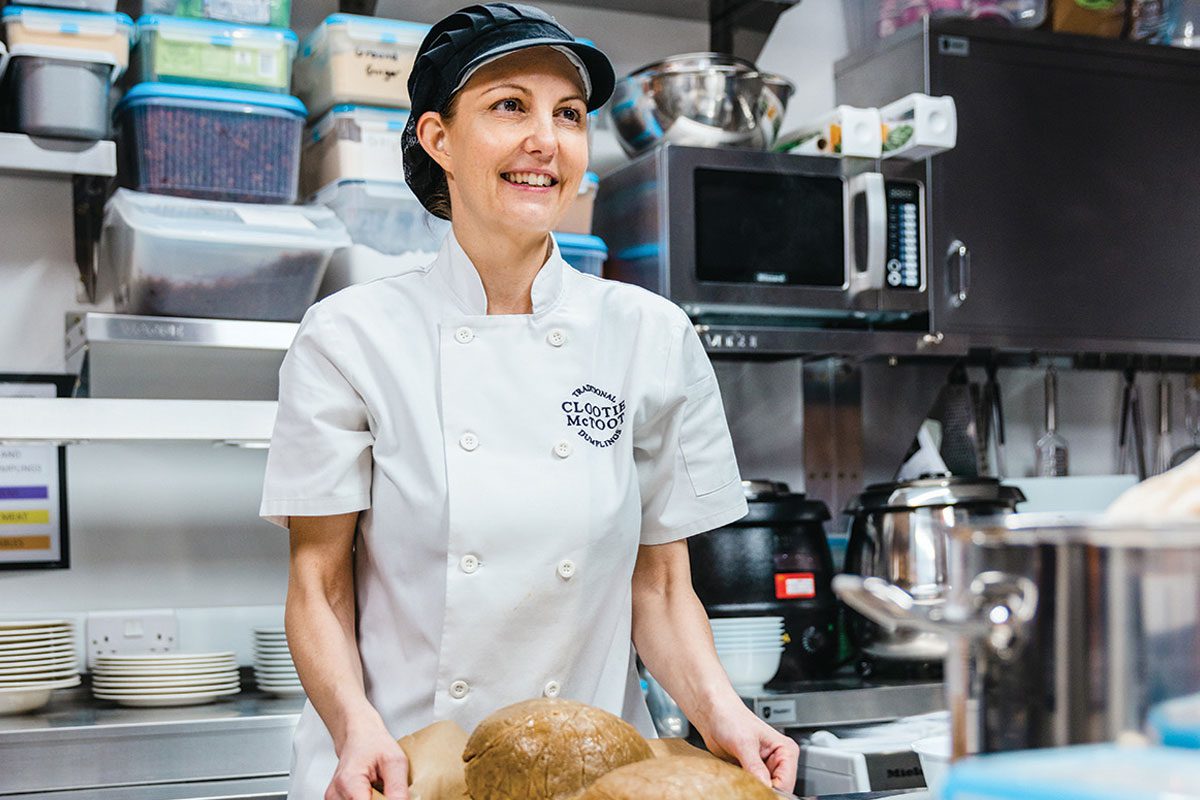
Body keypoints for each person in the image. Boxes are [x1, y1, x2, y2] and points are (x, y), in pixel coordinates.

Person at [259, 4, 799, 798]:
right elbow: (318, 584)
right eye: (509, 105)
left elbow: (660, 589)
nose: (546, 139)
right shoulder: (349, 336)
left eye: (569, 114)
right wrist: (354, 727)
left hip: (594, 774)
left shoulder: (648, 334)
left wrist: (725, 713)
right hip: (397, 769)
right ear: (438, 138)